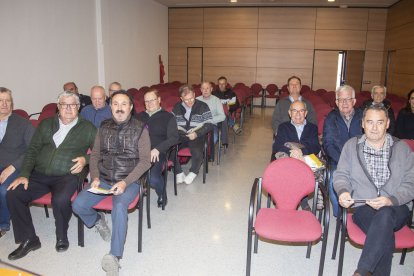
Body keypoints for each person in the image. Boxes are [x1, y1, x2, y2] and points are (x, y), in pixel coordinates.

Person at [6, 91, 96, 260]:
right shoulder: (46, 124)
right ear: (58, 107)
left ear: (78, 107)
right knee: (14, 193)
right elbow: (32, 150)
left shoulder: (88, 127)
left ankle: (61, 235)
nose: (68, 108)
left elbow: (100, 152)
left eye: (73, 105)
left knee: (60, 199)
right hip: (39, 174)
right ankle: (29, 239)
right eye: (64, 104)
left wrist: (86, 159)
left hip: (67, 174)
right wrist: (24, 173)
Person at [73, 90, 151, 276]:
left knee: (118, 208)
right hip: (105, 179)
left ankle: (114, 256)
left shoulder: (141, 129)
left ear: (131, 107)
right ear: (110, 106)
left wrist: (125, 182)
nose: (119, 108)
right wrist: (95, 176)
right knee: (77, 204)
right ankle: (98, 220)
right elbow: (95, 155)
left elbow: (145, 162)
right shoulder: (103, 126)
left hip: (129, 180)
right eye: (115, 104)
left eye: (124, 104)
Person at [334, 104, 414, 276]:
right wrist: (343, 191)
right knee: (384, 235)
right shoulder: (351, 146)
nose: (374, 127)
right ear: (362, 123)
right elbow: (341, 175)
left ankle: (362, 271)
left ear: (387, 124)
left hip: (396, 207)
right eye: (370, 122)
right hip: (364, 207)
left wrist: (390, 200)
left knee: (385, 214)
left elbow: (411, 182)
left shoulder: (402, 149)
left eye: (380, 122)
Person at [323, 85, 363, 217]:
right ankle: (340, 216)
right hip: (337, 161)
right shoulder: (331, 118)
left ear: (354, 101)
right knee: (334, 179)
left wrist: (358, 162)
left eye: (348, 99)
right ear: (336, 102)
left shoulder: (364, 116)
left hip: (361, 161)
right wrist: (343, 162)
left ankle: (360, 213)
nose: (344, 103)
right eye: (341, 100)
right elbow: (328, 144)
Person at [272, 100, 320, 210]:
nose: (298, 114)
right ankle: (295, 200)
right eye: (294, 111)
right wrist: (294, 152)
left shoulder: (312, 128)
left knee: (304, 168)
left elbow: (315, 146)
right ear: (289, 113)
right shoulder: (283, 127)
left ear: (306, 113)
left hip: (306, 158)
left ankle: (300, 199)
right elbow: (277, 147)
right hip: (289, 158)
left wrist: (302, 152)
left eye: (301, 110)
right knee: (289, 169)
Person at [0, 87, 35, 238]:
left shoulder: (23, 124)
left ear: (12, 104)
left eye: (8, 101)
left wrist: (12, 167)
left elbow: (33, 150)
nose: (4, 104)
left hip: (16, 166)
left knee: (3, 190)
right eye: (1, 101)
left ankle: (3, 224)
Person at [136, 89, 179, 208]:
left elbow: (174, 138)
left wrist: (157, 149)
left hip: (157, 153)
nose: (149, 103)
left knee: (153, 179)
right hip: (138, 152)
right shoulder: (139, 116)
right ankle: (136, 194)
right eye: (146, 101)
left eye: (152, 100)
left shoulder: (168, 117)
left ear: (159, 100)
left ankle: (162, 193)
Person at [172, 84, 213, 185]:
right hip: (180, 135)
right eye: (186, 100)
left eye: (191, 98)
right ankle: (178, 172)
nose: (190, 102)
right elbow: (170, 123)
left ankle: (193, 172)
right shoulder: (177, 107)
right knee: (169, 148)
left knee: (197, 151)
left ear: (194, 94)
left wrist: (196, 133)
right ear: (181, 98)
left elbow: (209, 124)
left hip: (196, 135)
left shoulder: (203, 106)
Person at [197, 81, 227, 160]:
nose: (205, 90)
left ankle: (205, 152)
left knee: (214, 137)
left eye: (207, 88)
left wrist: (209, 120)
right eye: (203, 88)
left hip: (211, 125)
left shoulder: (216, 100)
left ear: (211, 89)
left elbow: (222, 116)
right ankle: (198, 152)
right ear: (201, 90)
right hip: (198, 125)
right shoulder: (196, 100)